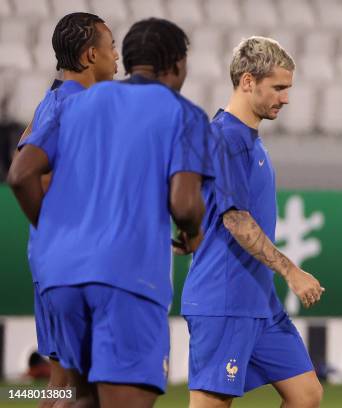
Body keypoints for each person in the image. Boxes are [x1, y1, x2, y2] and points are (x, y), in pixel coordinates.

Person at [8, 18, 210, 408]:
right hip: (125, 276)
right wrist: (192, 231)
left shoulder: (72, 104)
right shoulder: (182, 113)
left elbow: (20, 172)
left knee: (73, 395)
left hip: (60, 274)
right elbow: (184, 204)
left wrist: (53, 229)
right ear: (177, 64)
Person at [180, 36, 324, 408]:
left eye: (288, 88)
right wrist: (292, 271)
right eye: (278, 87)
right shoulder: (226, 136)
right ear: (248, 81)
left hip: (259, 301)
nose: (286, 98)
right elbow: (237, 221)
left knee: (306, 395)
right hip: (225, 299)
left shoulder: (248, 140)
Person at [13, 12, 117, 406]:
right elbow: (24, 175)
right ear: (91, 55)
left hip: (58, 261)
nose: (117, 56)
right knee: (85, 388)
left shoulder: (53, 101)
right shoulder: (73, 106)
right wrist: (60, 231)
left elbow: (28, 156)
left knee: (66, 385)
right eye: (111, 48)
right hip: (70, 264)